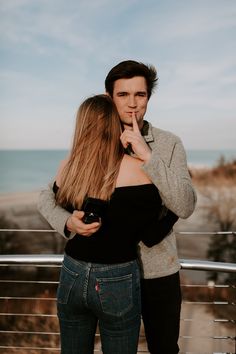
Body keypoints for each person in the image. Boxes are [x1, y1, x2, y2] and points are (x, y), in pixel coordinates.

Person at [38, 60, 197, 354]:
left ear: (149, 97)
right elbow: (46, 196)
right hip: (105, 273)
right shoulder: (93, 141)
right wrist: (67, 223)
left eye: (141, 95)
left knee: (164, 348)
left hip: (156, 272)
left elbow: (185, 204)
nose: (133, 104)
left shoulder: (168, 143)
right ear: (109, 96)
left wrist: (148, 156)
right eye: (123, 95)